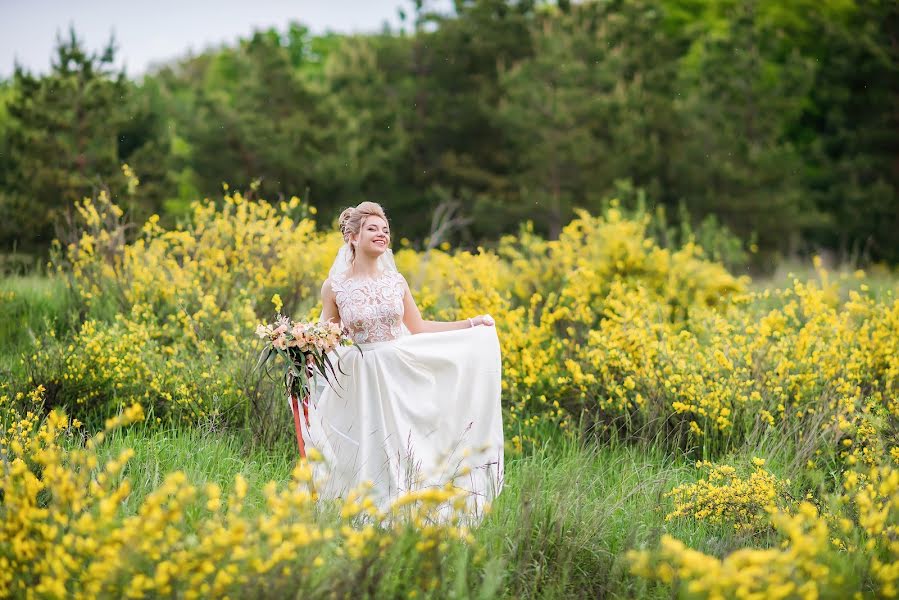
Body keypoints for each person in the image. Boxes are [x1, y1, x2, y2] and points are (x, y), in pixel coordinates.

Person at [303, 201, 504, 520]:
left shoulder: (396, 283)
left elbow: (419, 327)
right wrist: (296, 344)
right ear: (353, 238)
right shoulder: (336, 287)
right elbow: (326, 334)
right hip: (363, 374)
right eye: (372, 229)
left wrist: (468, 324)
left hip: (400, 371)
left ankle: (413, 502)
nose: (381, 234)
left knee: (408, 440)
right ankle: (368, 505)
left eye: (385, 229)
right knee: (367, 441)